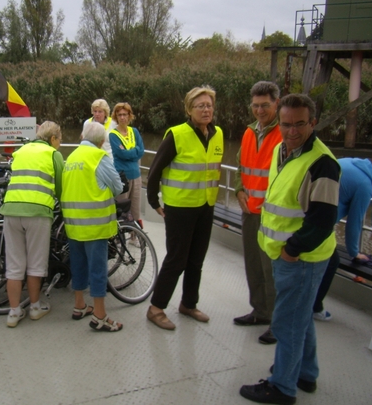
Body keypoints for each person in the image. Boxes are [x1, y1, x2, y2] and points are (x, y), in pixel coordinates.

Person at [240, 94, 341, 404]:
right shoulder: (282, 151)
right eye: (286, 124)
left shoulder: (322, 163)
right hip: (282, 252)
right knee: (300, 317)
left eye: (300, 124)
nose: (292, 130)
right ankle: (306, 374)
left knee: (287, 321)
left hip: (301, 258)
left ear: (312, 122)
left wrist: (292, 250)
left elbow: (323, 221)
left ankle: (282, 387)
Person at [146, 85, 223, 330]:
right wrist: (153, 202)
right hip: (179, 207)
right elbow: (155, 170)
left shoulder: (218, 133)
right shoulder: (176, 135)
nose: (206, 109)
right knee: (176, 259)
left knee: (196, 260)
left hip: (206, 205)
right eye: (200, 105)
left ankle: (188, 304)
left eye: (209, 105)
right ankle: (156, 308)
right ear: (189, 110)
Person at [0, 121, 64, 328]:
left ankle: (14, 312)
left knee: (15, 264)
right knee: (36, 264)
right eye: (60, 139)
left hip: (11, 209)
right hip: (37, 212)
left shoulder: (21, 150)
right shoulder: (53, 155)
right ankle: (35, 308)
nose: (60, 143)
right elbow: (62, 187)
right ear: (53, 138)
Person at [313, 156, 372, 321]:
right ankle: (314, 307)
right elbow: (354, 222)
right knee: (332, 261)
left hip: (307, 212)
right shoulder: (365, 185)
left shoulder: (356, 163)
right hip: (315, 222)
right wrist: (354, 253)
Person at [61, 122, 124, 332]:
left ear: (82, 136)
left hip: (72, 222)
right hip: (94, 224)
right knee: (97, 270)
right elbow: (117, 186)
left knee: (77, 264)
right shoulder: (98, 157)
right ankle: (100, 316)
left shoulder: (71, 157)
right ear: (101, 141)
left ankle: (79, 305)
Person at [233, 81, 281, 345]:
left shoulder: (285, 134)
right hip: (249, 211)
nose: (260, 110)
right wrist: (239, 189)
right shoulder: (249, 132)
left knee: (271, 271)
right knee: (253, 265)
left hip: (274, 216)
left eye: (265, 105)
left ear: (276, 103)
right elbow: (241, 165)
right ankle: (260, 312)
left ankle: (277, 321)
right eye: (255, 105)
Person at [109, 102, 145, 228]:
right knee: (122, 206)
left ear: (129, 116)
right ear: (116, 117)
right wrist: (133, 152)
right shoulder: (113, 134)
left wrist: (130, 152)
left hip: (136, 175)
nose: (122, 117)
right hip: (122, 175)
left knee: (135, 207)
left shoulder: (134, 131)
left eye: (125, 114)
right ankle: (120, 235)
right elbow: (120, 154)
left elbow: (141, 151)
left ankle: (135, 235)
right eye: (120, 115)